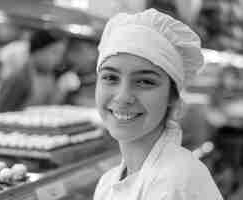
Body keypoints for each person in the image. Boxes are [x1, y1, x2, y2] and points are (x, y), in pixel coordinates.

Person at [94, 9, 223, 200]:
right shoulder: (107, 182)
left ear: (173, 99)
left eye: (145, 81)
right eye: (110, 77)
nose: (123, 97)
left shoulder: (179, 183)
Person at [0, 30, 67, 112]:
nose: (58, 59)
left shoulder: (49, 75)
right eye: (54, 52)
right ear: (38, 50)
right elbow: (0, 112)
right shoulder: (20, 78)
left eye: (61, 54)